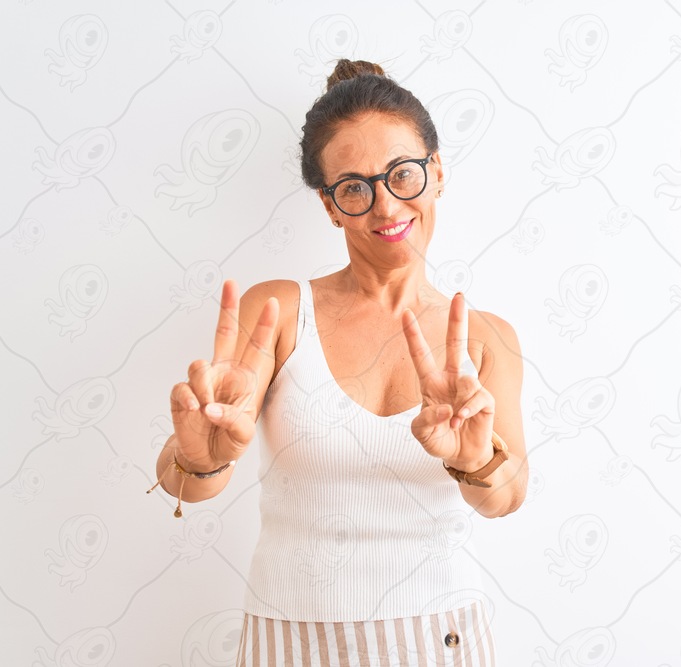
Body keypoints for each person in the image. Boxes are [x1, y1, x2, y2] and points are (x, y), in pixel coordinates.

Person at [148, 58, 528, 666]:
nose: (385, 206)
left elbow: (507, 497)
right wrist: (196, 458)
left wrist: (478, 460)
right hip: (291, 639)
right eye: (354, 187)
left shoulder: (486, 338)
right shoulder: (276, 311)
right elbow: (186, 483)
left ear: (436, 173)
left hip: (444, 639)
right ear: (329, 205)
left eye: (402, 174)